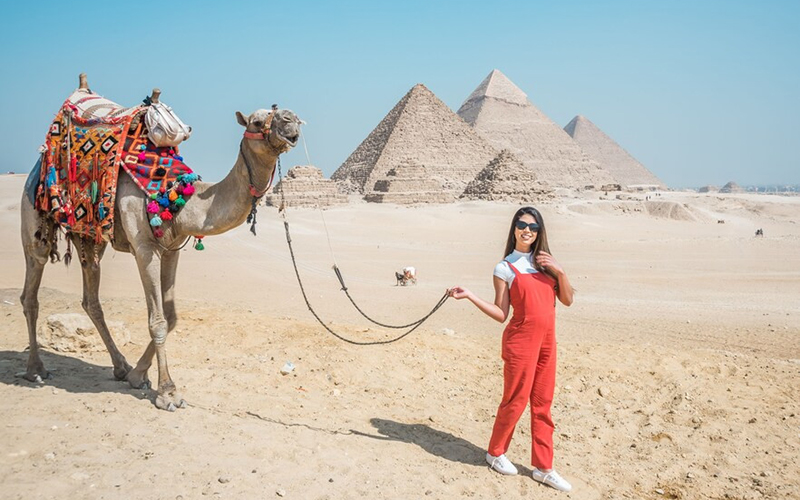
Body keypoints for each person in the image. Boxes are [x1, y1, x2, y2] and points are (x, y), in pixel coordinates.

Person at [447, 206, 574, 492]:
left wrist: (560, 271)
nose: (527, 230)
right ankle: (495, 452)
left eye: (533, 226)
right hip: (520, 343)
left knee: (543, 405)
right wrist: (469, 296)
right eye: (521, 224)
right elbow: (501, 312)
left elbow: (567, 300)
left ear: (540, 231)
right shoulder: (505, 267)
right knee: (515, 400)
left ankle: (544, 468)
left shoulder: (546, 264)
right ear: (514, 228)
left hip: (547, 345)